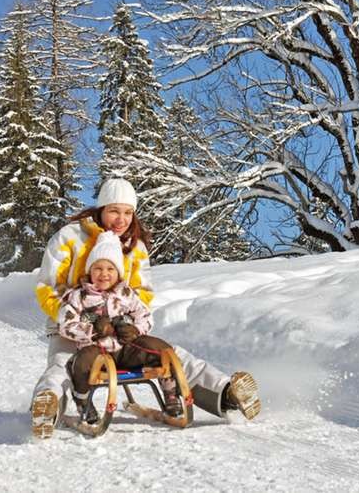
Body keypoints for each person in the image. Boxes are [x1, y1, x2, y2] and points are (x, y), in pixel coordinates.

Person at [30, 178, 261, 438]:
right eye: (114, 211)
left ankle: (226, 393)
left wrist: (129, 324)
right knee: (63, 366)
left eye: (128, 212)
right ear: (101, 209)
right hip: (73, 326)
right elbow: (48, 286)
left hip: (120, 330)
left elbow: (142, 293)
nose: (121, 219)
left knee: (171, 355)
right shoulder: (70, 237)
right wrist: (83, 321)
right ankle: (47, 407)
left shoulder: (134, 246)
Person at [60, 231, 182, 424]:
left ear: (118, 272)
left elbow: (146, 316)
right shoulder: (79, 296)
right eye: (98, 268)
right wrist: (92, 330)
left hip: (126, 349)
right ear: (90, 271)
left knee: (161, 348)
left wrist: (136, 330)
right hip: (96, 351)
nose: (104, 274)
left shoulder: (126, 293)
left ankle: (171, 395)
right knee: (81, 363)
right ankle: (83, 402)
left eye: (110, 269)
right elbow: (66, 325)